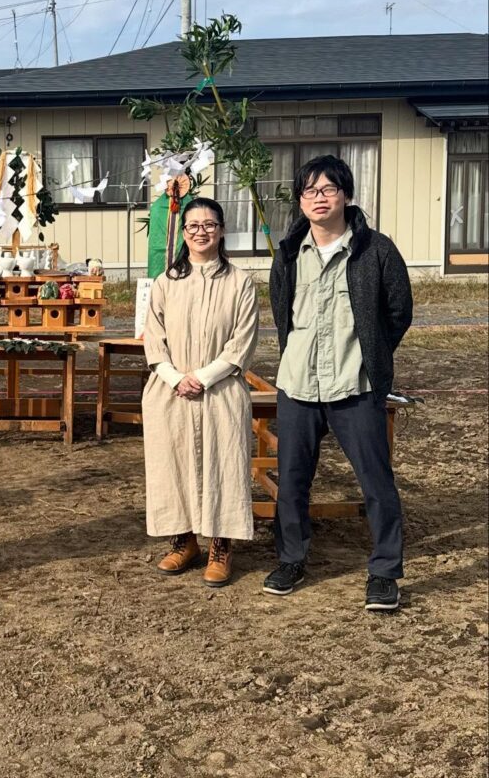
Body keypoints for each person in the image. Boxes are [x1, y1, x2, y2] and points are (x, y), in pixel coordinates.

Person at [265, 155, 413, 611]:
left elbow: (397, 312)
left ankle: (385, 571)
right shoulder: (289, 253)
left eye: (327, 189)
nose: (318, 198)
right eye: (309, 191)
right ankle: (292, 558)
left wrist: (372, 356)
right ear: (300, 201)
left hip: (355, 384)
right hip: (298, 385)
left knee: (376, 481)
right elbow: (282, 313)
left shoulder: (376, 250)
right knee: (291, 481)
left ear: (346, 194)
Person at [142, 197, 260, 587]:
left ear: (222, 230)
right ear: (184, 233)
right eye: (193, 225)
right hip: (170, 391)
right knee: (173, 464)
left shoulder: (240, 283)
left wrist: (203, 377)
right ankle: (183, 540)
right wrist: (176, 378)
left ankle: (220, 546)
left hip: (221, 390)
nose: (200, 232)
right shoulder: (165, 283)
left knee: (222, 464)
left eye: (209, 225)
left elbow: (241, 343)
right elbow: (154, 341)